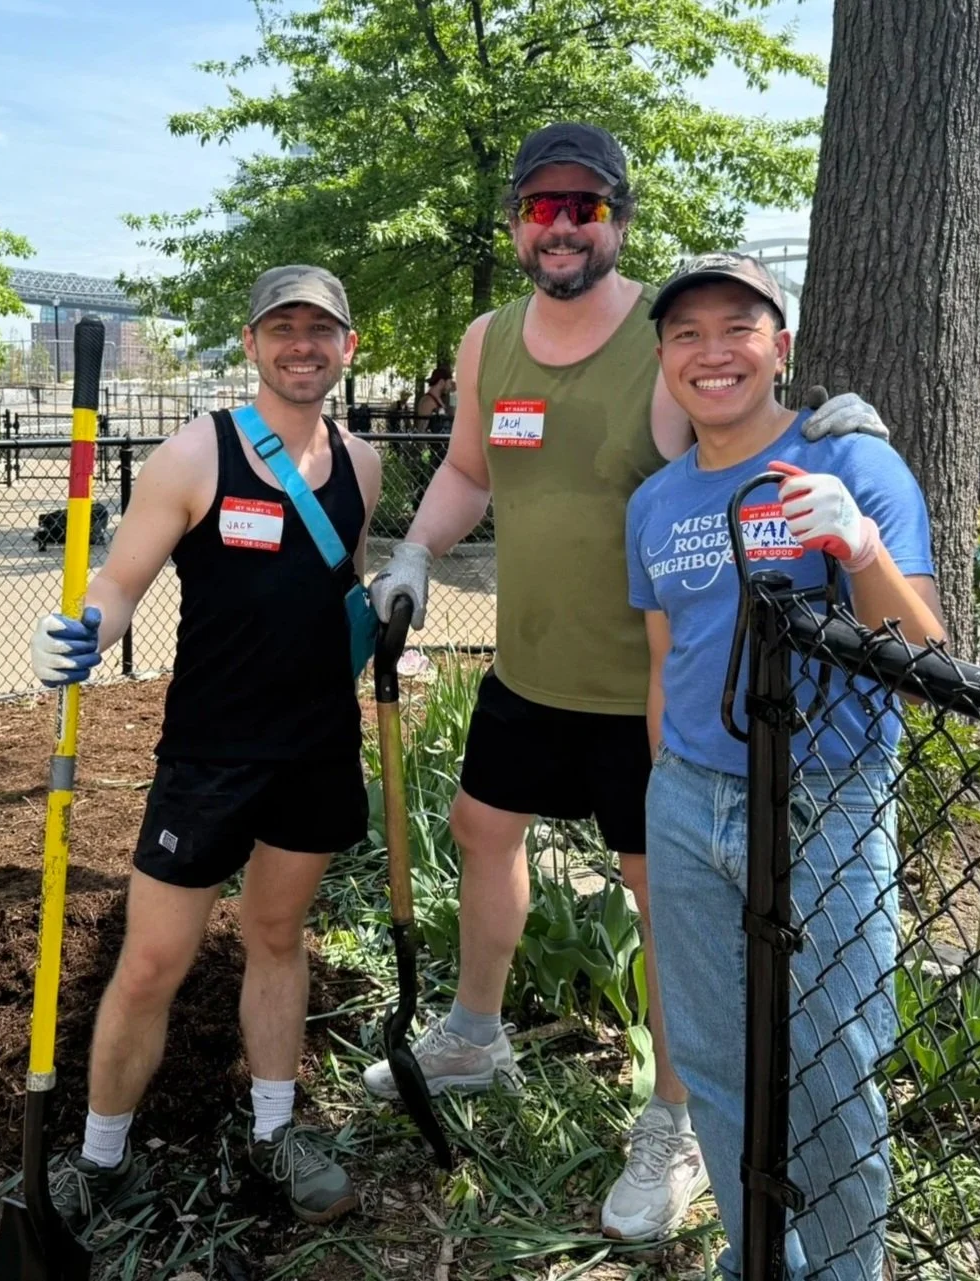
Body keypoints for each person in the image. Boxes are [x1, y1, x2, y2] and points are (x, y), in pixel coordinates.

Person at [361, 121, 891, 1242]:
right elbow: (468, 469)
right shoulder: (486, 342)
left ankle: (674, 1120)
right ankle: (474, 1033)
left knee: (664, 901)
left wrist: (833, 436)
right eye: (540, 207)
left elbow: (736, 415)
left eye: (584, 207)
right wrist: (414, 550)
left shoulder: (661, 339)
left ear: (618, 221)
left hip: (647, 691)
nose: (561, 226)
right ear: (515, 223)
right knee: (479, 827)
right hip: (527, 666)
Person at [26, 264, 383, 1229]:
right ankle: (100, 1156)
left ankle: (274, 1129)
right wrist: (81, 629)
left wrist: (388, 602)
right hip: (210, 755)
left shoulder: (362, 463)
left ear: (348, 346)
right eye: (283, 328)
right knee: (151, 961)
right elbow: (119, 583)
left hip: (317, 748)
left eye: (321, 329)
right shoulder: (195, 453)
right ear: (253, 342)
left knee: (277, 936)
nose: (302, 345)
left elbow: (340, 584)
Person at [626, 252, 946, 1278]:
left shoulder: (848, 464)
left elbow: (926, 657)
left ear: (781, 347)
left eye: (738, 328)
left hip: (826, 801)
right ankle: (760, 1258)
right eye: (686, 334)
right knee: (714, 1059)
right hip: (687, 802)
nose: (711, 352)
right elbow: (666, 661)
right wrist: (664, 789)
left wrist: (859, 547)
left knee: (830, 1070)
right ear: (664, 359)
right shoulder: (655, 503)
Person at [414, 366, 455, 431]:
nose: (450, 386)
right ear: (441, 382)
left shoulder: (438, 399)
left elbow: (453, 415)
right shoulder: (428, 401)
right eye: (449, 383)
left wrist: (453, 393)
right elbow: (422, 428)